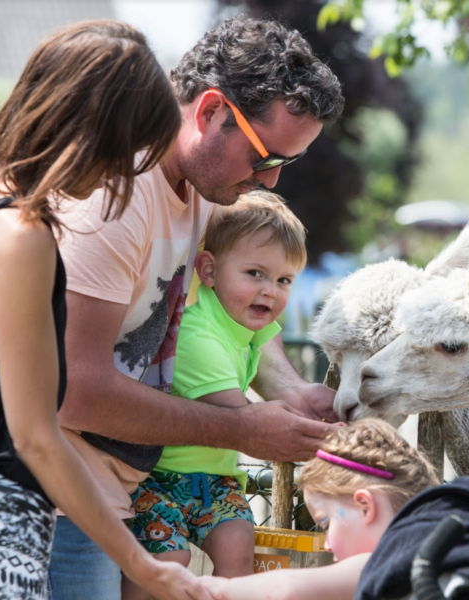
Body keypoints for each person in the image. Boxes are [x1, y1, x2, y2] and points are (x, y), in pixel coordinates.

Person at [50, 14, 346, 599]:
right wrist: (243, 430)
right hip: (57, 506)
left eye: (289, 162)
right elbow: (73, 389)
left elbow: (236, 318)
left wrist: (291, 395)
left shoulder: (208, 197)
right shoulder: (113, 202)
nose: (272, 180)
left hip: (114, 499)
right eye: (264, 156)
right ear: (210, 111)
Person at [0, 20, 207, 600]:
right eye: (126, 156)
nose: (122, 180)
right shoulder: (19, 237)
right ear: (95, 134)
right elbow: (35, 437)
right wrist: (147, 565)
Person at [122, 190, 308, 598]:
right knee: (165, 562)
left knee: (238, 544)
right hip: (160, 476)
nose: (270, 291)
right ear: (208, 271)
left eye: (283, 280)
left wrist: (315, 404)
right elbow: (244, 421)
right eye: (255, 274)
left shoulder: (249, 325)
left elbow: (291, 392)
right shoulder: (198, 333)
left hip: (219, 479)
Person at [194, 419, 440, 600]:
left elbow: (284, 589)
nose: (327, 545)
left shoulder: (393, 558)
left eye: (327, 523)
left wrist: (208, 587)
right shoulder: (439, 548)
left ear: (365, 507)